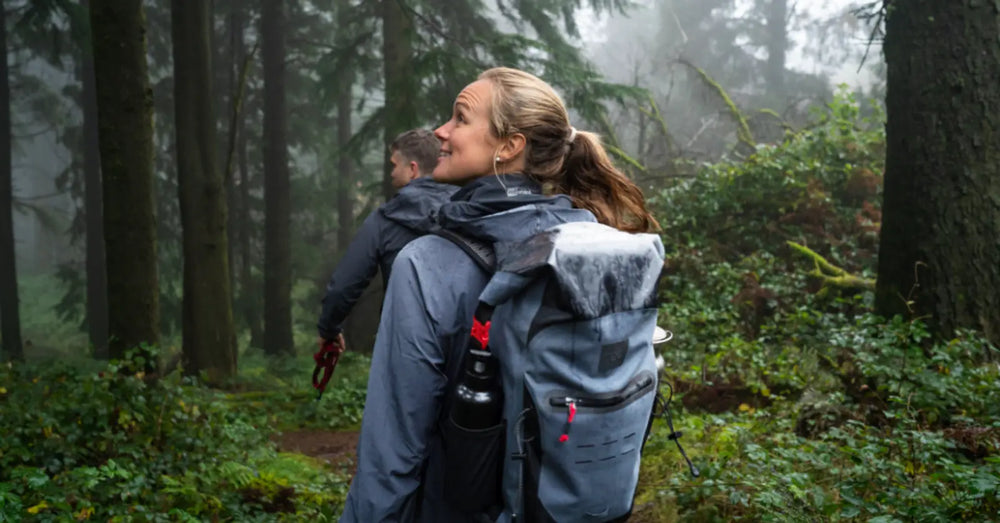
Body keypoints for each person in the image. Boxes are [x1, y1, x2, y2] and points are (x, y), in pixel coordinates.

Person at [339, 67, 658, 522]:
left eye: (460, 118)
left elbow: (391, 455)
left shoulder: (425, 263)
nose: (440, 132)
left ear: (509, 147)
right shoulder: (586, 241)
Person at [316, 129, 457, 352]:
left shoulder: (384, 220)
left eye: (394, 165)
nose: (391, 173)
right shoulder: (468, 210)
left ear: (412, 169)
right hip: (465, 339)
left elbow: (344, 286)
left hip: (405, 342)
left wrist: (329, 330)